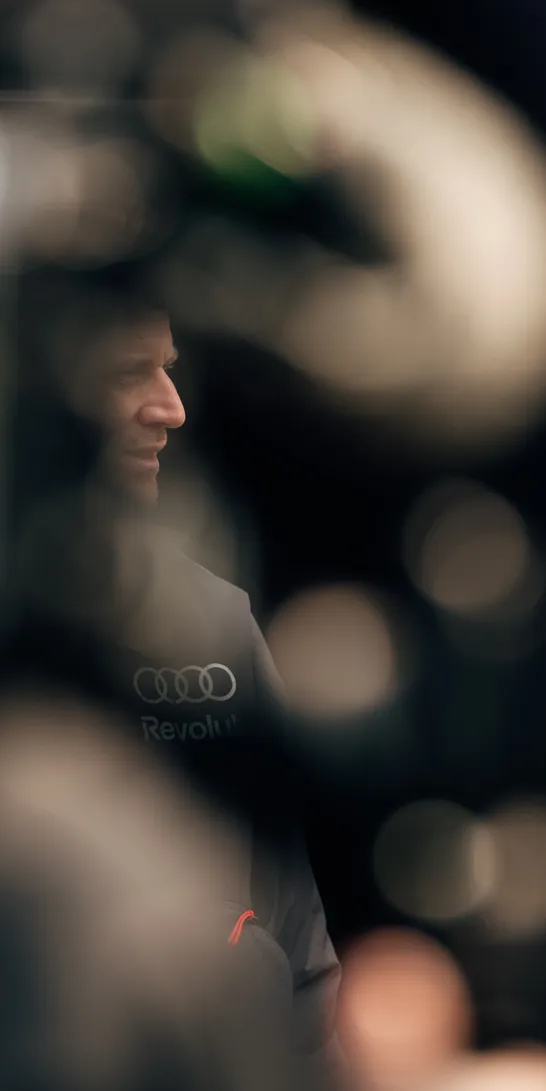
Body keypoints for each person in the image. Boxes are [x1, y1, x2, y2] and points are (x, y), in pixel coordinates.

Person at [81, 290, 340, 1048]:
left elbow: (302, 948)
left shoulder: (217, 624)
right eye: (130, 372)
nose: (171, 409)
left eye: (169, 370)